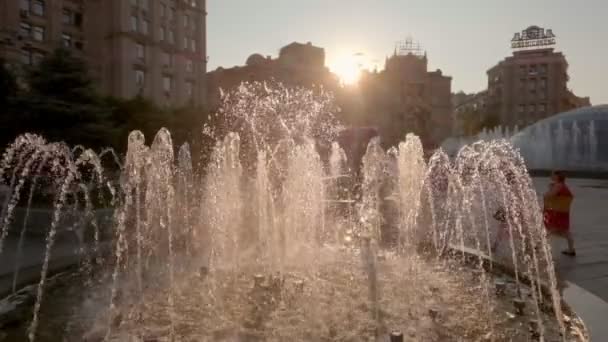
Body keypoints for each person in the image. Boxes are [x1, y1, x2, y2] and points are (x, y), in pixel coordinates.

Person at [543, 171, 575, 256]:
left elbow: (549, 196)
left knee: (551, 229)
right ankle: (571, 249)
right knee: (564, 232)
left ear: (557, 176)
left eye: (553, 174)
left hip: (557, 211)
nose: (551, 175)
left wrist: (549, 189)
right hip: (562, 211)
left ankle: (539, 246)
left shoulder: (558, 185)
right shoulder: (562, 185)